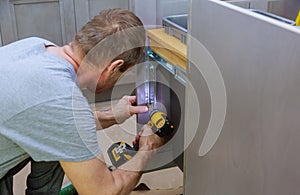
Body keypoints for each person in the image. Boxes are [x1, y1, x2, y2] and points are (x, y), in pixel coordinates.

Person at [0, 8, 164, 195]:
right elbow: (105, 192)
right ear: (114, 67)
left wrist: (113, 115)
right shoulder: (63, 100)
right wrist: (147, 147)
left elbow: (56, 117)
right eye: (122, 74)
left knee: (64, 140)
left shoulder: (36, 46)